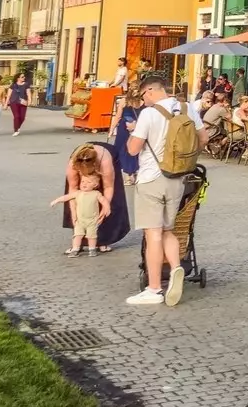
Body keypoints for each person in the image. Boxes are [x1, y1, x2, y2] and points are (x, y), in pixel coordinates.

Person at [124, 73, 203, 307]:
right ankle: (176, 267)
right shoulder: (187, 108)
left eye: (143, 95)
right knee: (168, 229)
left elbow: (133, 149)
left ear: (150, 91)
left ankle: (155, 288)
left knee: (153, 234)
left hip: (152, 177)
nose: (143, 100)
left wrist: (132, 132)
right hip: (178, 178)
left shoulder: (149, 114)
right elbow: (204, 138)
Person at [63, 126, 127, 254]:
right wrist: (74, 213)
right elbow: (73, 189)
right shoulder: (73, 163)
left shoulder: (105, 160)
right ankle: (78, 240)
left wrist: (105, 207)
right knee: (81, 199)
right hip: (83, 157)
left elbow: (109, 187)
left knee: (105, 199)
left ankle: (104, 241)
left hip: (105, 156)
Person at [52, 146, 110, 255]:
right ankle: (75, 248)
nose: (84, 184)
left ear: (95, 185)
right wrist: (57, 201)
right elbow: (67, 196)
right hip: (80, 220)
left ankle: (92, 249)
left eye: (88, 183)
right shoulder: (78, 192)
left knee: (92, 235)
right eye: (82, 182)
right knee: (77, 235)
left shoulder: (96, 193)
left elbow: (105, 199)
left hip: (92, 220)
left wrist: (107, 208)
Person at [8, 71, 29, 137]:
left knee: (22, 117)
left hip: (23, 102)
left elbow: (28, 93)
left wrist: (30, 100)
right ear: (18, 78)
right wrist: (6, 103)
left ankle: (18, 126)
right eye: (22, 77)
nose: (24, 78)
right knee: (16, 116)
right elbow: (8, 95)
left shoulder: (26, 84)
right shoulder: (13, 85)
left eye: (24, 76)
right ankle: (16, 130)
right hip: (14, 102)